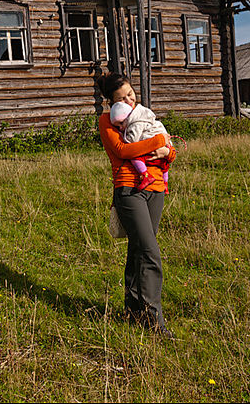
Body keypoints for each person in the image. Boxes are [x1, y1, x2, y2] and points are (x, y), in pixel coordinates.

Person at [97, 72, 176, 337]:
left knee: (139, 249)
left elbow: (170, 149)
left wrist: (168, 150)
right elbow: (123, 151)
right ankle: (154, 319)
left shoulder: (145, 114)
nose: (130, 101)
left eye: (131, 94)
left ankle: (133, 308)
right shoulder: (107, 121)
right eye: (122, 98)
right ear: (111, 102)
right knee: (150, 252)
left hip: (155, 188)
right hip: (129, 190)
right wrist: (158, 143)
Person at [108, 101, 173, 192]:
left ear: (128, 117)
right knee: (165, 167)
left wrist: (122, 136)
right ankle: (165, 184)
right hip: (163, 150)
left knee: (134, 156)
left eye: (121, 123)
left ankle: (145, 175)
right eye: (118, 126)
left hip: (152, 150)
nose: (121, 128)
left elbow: (132, 141)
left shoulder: (136, 123)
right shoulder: (146, 119)